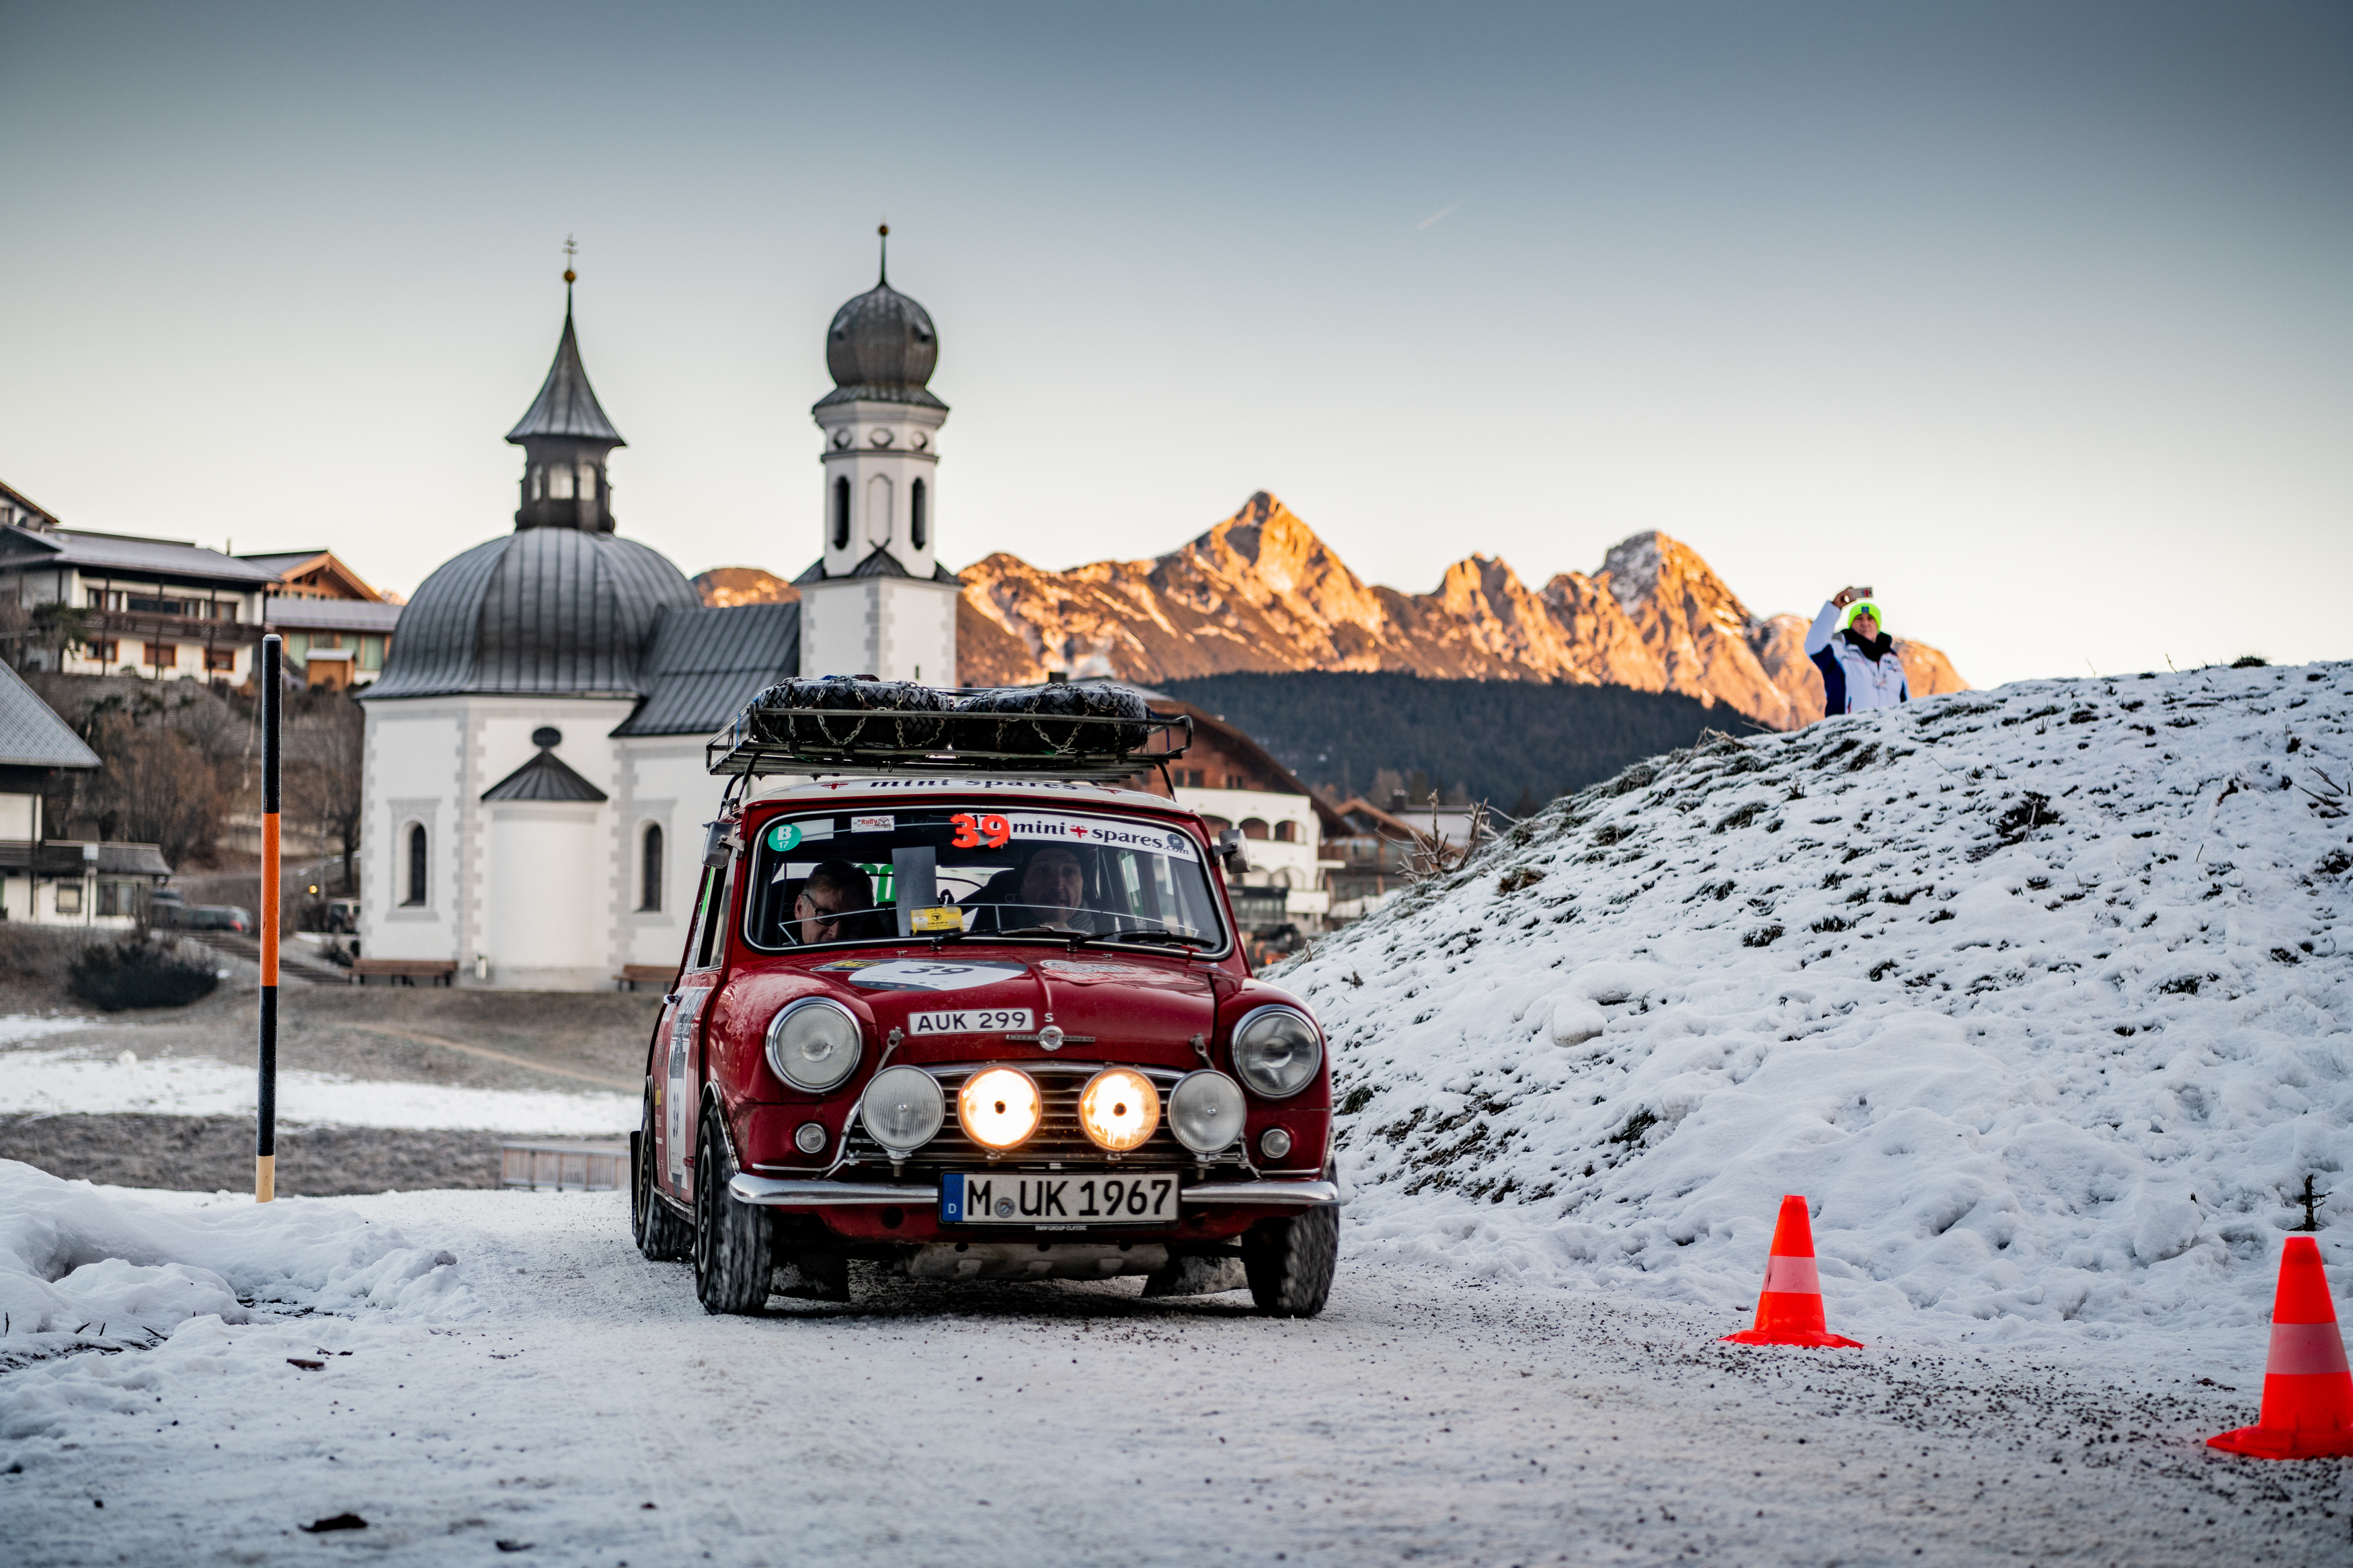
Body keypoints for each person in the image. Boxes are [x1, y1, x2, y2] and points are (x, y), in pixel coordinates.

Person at [1805, 585, 1908, 715]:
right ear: (1851, 625)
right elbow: (1814, 646)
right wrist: (1835, 607)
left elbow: (1907, 703)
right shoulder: (1840, 653)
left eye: (1870, 618)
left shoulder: (1893, 662)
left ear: (1878, 626)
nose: (1865, 623)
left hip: (1889, 728)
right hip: (1848, 727)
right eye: (1859, 618)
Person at [795, 860, 875, 944]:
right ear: (800, 908)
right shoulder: (783, 953)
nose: (837, 934)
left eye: (852, 922)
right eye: (825, 916)